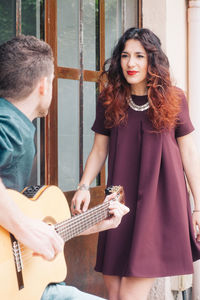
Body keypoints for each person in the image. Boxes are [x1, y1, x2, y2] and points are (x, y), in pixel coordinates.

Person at [71, 27, 200, 300]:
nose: (131, 63)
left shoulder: (175, 99)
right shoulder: (109, 99)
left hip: (159, 201)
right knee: (115, 292)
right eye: (126, 56)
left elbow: (189, 154)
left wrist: (198, 207)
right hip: (119, 200)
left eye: (140, 56)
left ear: (153, 60)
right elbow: (98, 150)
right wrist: (83, 186)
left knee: (129, 296)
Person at [0, 35, 129, 300]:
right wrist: (25, 227)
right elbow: (25, 227)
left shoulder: (19, 125)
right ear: (44, 86)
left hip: (24, 285)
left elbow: (25, 229)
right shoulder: (8, 123)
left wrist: (93, 222)